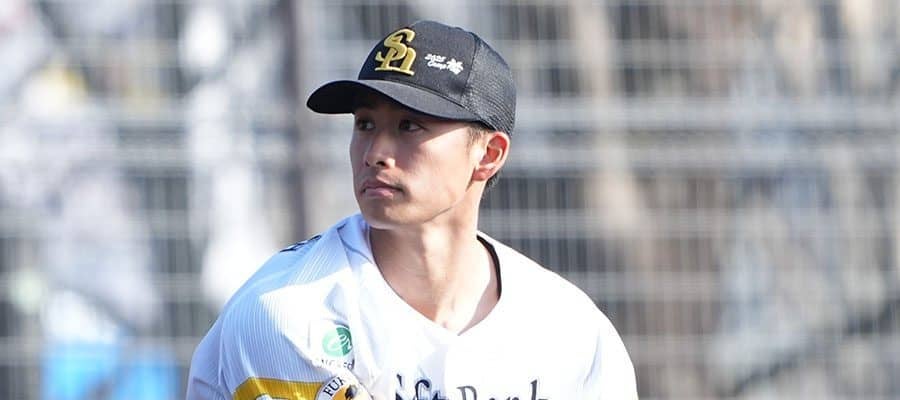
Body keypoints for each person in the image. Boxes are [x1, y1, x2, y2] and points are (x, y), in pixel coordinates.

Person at [187, 20, 638, 400]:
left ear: (488, 154)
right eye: (365, 124)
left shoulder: (571, 331)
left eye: (410, 126)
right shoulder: (290, 311)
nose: (375, 153)